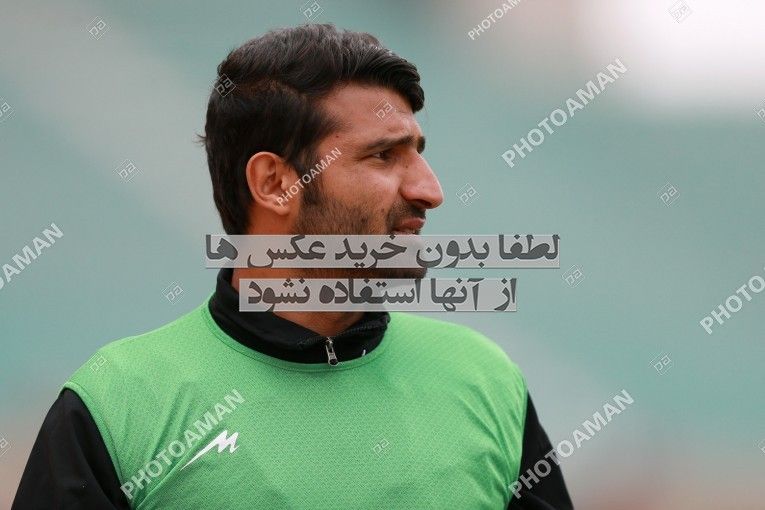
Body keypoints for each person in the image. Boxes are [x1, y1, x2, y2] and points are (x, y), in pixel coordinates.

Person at [12, 23, 573, 509]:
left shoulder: (486, 381)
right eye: (384, 155)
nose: (430, 190)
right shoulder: (118, 404)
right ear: (275, 182)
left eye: (418, 153)